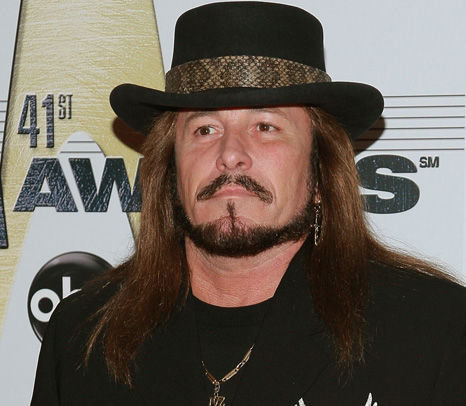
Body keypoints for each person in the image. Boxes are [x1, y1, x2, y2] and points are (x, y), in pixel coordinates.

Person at [31, 2, 465, 405]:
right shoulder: (82, 336)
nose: (230, 154)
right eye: (205, 130)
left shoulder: (433, 330)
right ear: (170, 171)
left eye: (265, 126)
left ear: (320, 172)